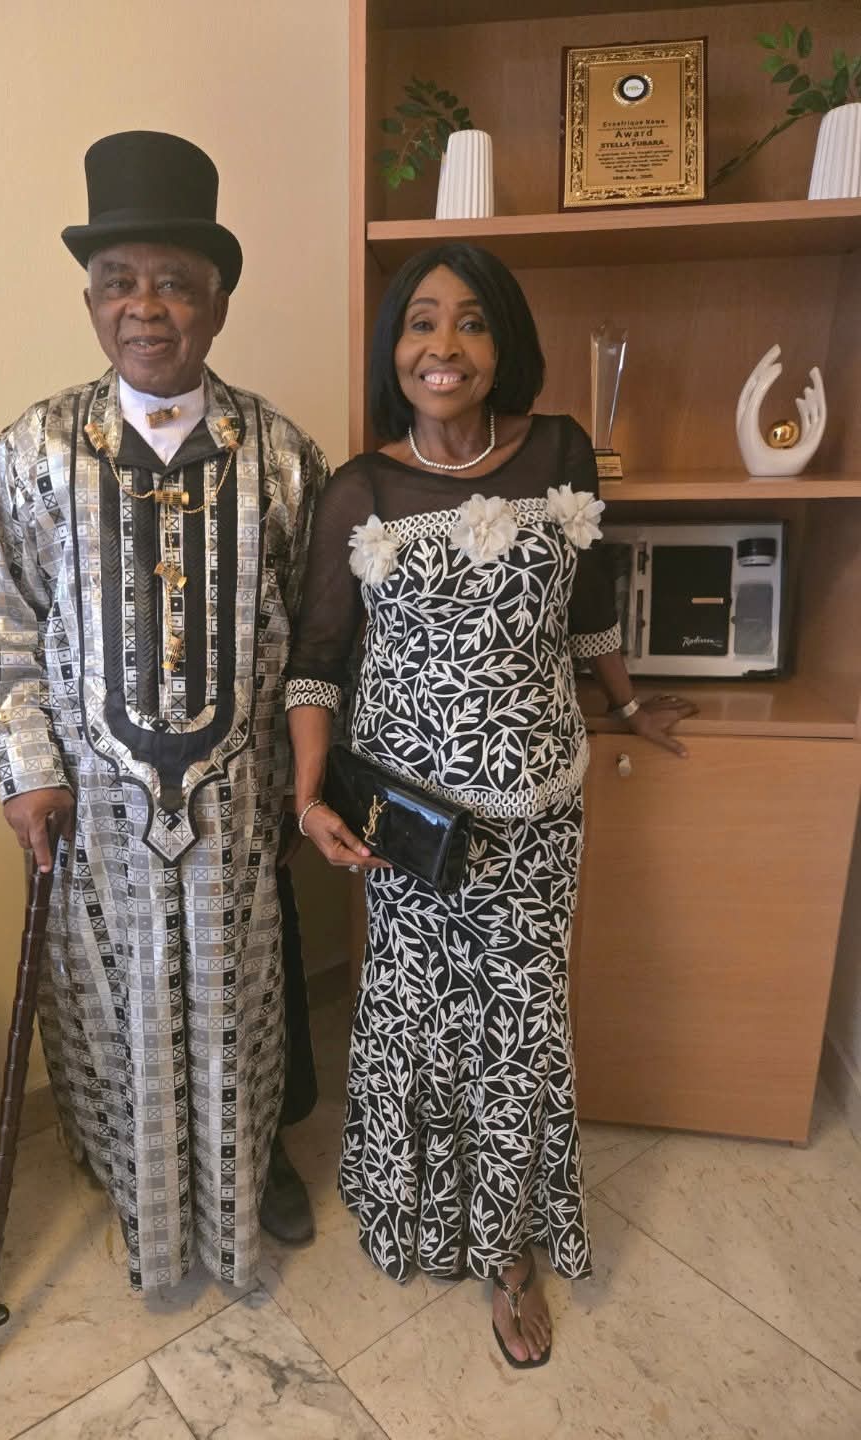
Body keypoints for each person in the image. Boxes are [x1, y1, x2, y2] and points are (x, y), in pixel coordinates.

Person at [285, 242, 695, 1366]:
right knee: (416, 1023)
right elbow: (320, 657)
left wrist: (629, 701)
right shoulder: (357, 491)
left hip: (537, 815)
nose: (444, 347)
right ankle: (414, 1207)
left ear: (502, 343)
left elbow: (591, 604)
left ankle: (510, 1252)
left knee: (517, 1034)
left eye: (470, 323)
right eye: (420, 323)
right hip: (405, 823)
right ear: (395, 350)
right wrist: (310, 791)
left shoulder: (561, 451)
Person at [0, 131, 324, 1293]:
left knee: (240, 1008)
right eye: (120, 282)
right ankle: (135, 1184)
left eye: (174, 281)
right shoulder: (36, 449)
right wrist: (27, 768)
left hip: (239, 809)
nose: (146, 307)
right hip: (96, 815)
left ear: (218, 302)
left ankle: (245, 1170)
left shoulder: (284, 456)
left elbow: (319, 638)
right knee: (112, 1013)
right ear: (90, 300)